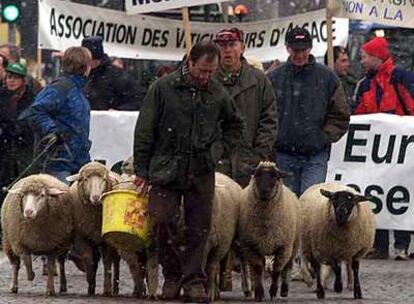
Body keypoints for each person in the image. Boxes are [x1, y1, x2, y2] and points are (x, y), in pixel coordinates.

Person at [133, 40, 244, 303]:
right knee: (162, 221)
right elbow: (145, 129)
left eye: (211, 71)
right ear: (190, 63)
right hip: (166, 167)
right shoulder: (163, 88)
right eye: (203, 70)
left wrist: (217, 151)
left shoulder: (217, 93)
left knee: (200, 228)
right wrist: (142, 169)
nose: (206, 76)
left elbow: (235, 126)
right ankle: (172, 275)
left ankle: (195, 280)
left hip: (201, 169)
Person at [212, 27, 277, 291]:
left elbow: (269, 119)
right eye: (222, 45)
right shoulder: (209, 78)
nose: (227, 50)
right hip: (217, 162)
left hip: (247, 162)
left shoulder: (258, 80)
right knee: (218, 221)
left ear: (242, 47)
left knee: (247, 222)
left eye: (232, 44)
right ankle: (221, 273)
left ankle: (251, 276)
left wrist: (258, 154)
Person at [267, 27, 350, 197]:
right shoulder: (274, 78)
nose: (299, 55)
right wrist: (275, 139)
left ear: (310, 48)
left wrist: (321, 138)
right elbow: (265, 115)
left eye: (303, 50)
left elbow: (340, 116)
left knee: (310, 208)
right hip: (283, 155)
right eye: (295, 50)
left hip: (314, 156)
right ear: (287, 48)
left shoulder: (327, 77)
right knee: (287, 210)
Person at [353, 36, 414, 260]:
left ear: (377, 57)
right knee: (377, 194)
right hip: (376, 151)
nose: (362, 61)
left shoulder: (401, 78)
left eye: (365, 57)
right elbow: (358, 114)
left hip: (401, 149)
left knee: (400, 194)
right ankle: (378, 245)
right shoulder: (365, 84)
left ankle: (401, 244)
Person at [27, 46, 92, 183]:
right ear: (85, 66)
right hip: (59, 162)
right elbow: (37, 111)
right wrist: (52, 131)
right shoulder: (61, 88)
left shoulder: (76, 89)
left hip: (77, 161)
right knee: (62, 202)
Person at [0, 62, 37, 244]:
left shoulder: (32, 98)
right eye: (9, 77)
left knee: (22, 187)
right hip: (5, 150)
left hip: (25, 150)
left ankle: (23, 230)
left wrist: (20, 129)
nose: (11, 81)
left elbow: (34, 120)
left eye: (15, 77)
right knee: (5, 189)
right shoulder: (2, 96)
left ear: (23, 80)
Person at [81, 36, 145, 111]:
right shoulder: (81, 74)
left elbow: (139, 98)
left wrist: (117, 112)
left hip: (107, 121)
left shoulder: (117, 76)